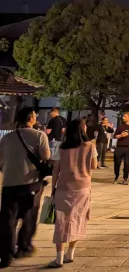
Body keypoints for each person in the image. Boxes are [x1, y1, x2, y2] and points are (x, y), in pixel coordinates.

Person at [0, 107, 51, 268]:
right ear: (31, 118)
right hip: (31, 183)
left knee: (8, 221)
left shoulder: (6, 138)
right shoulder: (39, 135)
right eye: (35, 115)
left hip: (9, 183)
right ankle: (24, 246)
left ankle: (5, 254)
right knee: (29, 217)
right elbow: (46, 157)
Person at [48, 119, 97, 268]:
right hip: (83, 187)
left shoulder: (61, 148)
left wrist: (53, 190)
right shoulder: (90, 146)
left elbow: (55, 171)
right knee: (78, 218)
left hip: (63, 187)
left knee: (61, 221)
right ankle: (71, 253)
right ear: (83, 129)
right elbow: (94, 165)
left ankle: (59, 258)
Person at [113, 112, 129, 185]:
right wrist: (121, 135)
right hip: (119, 146)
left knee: (126, 163)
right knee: (117, 163)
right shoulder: (121, 126)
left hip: (128, 147)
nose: (123, 118)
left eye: (125, 116)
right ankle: (116, 177)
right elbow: (115, 136)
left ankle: (125, 178)